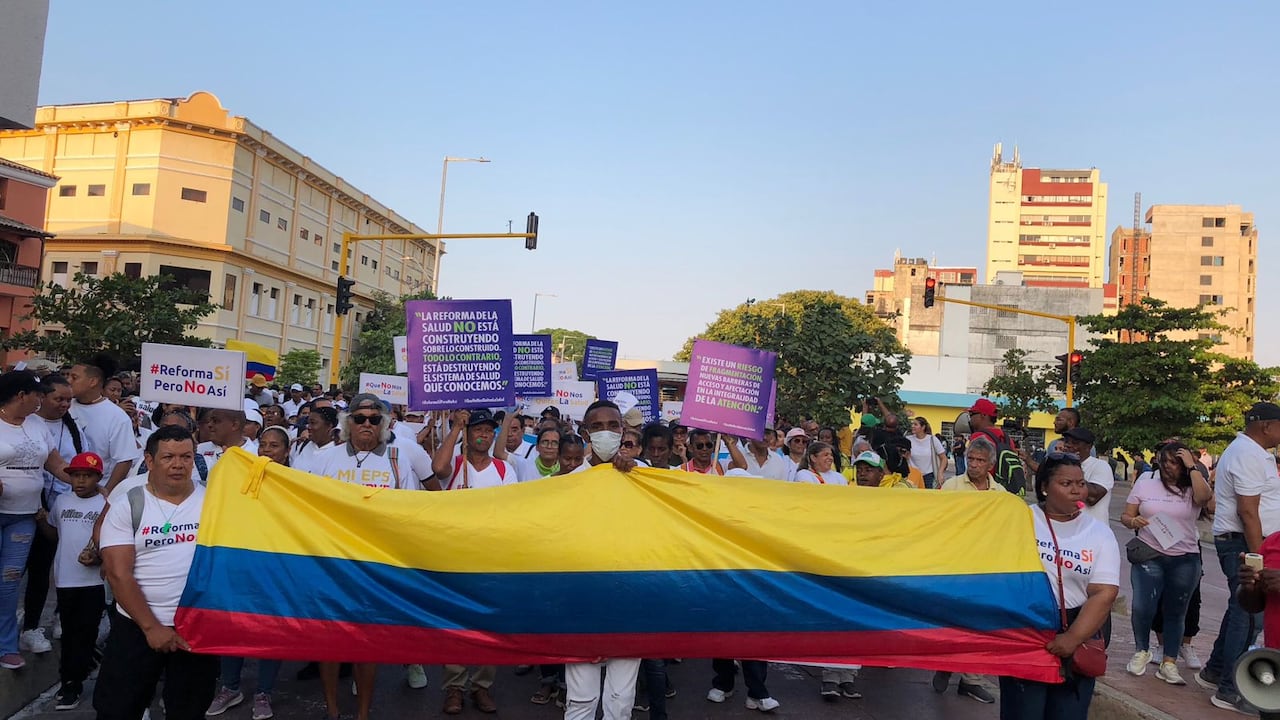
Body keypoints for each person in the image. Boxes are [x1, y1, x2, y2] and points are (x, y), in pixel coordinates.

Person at [311, 394, 427, 720]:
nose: (366, 425)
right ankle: (332, 709)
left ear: (384, 425)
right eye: (359, 418)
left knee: (367, 642)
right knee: (330, 643)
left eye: (373, 420)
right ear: (348, 423)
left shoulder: (397, 459)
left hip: (375, 566)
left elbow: (408, 511)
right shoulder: (325, 459)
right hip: (332, 562)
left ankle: (363, 713)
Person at [93, 425, 217, 719]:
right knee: (118, 710)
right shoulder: (128, 504)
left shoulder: (214, 501)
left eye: (186, 457)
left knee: (189, 710)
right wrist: (152, 628)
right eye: (168, 457)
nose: (178, 465)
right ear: (149, 460)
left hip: (195, 629)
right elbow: (118, 574)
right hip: (136, 627)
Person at [999, 452, 1119, 720]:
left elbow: (1104, 592)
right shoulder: (1020, 521)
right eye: (1067, 484)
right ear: (1044, 487)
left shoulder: (1099, 533)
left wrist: (1073, 639)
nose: (1077, 490)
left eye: (1081, 483)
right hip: (1026, 631)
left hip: (1078, 630)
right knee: (1022, 712)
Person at [563, 400, 642, 720]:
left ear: (623, 431)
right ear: (585, 433)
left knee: (621, 698)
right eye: (597, 427)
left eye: (613, 426)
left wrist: (633, 475)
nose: (606, 433)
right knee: (581, 697)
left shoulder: (644, 478)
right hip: (581, 597)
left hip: (629, 597)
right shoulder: (567, 482)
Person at [205, 428, 290, 719]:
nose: (267, 450)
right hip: (243, 563)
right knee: (234, 625)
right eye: (263, 445)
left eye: (275, 446)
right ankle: (230, 687)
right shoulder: (244, 476)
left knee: (271, 629)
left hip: (279, 568)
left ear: (287, 451)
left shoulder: (299, 484)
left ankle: (264, 692)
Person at [1200, 401, 1280, 712]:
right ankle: (1230, 689)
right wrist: (1261, 559)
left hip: (1247, 542)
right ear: (1267, 426)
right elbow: (1248, 511)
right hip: (1244, 543)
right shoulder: (1247, 453)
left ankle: (1215, 670)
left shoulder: (1253, 451)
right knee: (1247, 615)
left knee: (1240, 612)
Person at [1121, 441, 1212, 686]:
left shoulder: (1192, 486)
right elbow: (1126, 514)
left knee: (1176, 611)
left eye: (1174, 463)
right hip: (1150, 554)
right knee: (1143, 606)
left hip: (1184, 558)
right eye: (1164, 461)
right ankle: (1141, 650)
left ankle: (1169, 662)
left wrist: (1193, 468)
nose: (1167, 467)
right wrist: (1133, 522)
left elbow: (1206, 500)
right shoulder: (1146, 482)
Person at [0, 370, 71, 670]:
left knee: (9, 582)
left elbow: (56, 464)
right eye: (37, 394)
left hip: (25, 516)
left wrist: (87, 483)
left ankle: (6, 646)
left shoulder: (38, 425)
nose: (41, 399)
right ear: (21, 396)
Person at [932, 437, 1003, 702]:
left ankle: (971, 679)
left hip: (985, 568)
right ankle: (946, 663)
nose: (973, 465)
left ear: (990, 465)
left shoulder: (1000, 495)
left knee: (981, 624)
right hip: (955, 565)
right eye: (971, 459)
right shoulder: (951, 486)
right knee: (954, 619)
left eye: (980, 461)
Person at [38, 451, 106, 711]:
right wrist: (42, 521)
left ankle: (74, 681)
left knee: (86, 633)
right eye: (76, 476)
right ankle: (70, 680)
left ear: (97, 478)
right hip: (66, 580)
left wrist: (98, 556)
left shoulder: (104, 504)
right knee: (69, 633)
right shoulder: (63, 501)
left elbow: (110, 542)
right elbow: (55, 535)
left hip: (94, 583)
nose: (80, 481)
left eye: (87, 476)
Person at [20, 373, 82, 654]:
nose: (65, 405)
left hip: (56, 511)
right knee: (12, 573)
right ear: (41, 397)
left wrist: (84, 485)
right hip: (23, 507)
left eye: (69, 399)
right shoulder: (26, 423)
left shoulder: (72, 428)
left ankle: (32, 626)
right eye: (59, 399)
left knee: (42, 570)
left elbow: (64, 465)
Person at [67, 355, 142, 493]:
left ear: (93, 381)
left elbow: (124, 461)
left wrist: (105, 493)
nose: (68, 381)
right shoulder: (63, 408)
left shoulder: (117, 417)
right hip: (61, 494)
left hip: (96, 494)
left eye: (74, 377)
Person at [1060, 428, 1114, 526]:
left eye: (1075, 443)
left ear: (1088, 447)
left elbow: (1092, 498)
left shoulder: (1101, 466)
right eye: (1066, 442)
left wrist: (1074, 467)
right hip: (1067, 530)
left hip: (1093, 533)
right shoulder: (1062, 467)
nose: (1068, 445)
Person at [291, 405, 338, 473]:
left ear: (329, 426)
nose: (308, 427)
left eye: (313, 423)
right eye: (308, 423)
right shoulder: (304, 445)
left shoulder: (338, 452)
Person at [908, 417, 947, 489]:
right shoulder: (908, 439)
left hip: (929, 476)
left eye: (915, 424)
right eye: (912, 424)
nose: (912, 426)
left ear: (923, 427)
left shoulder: (932, 439)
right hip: (912, 474)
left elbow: (943, 458)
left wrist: (940, 473)